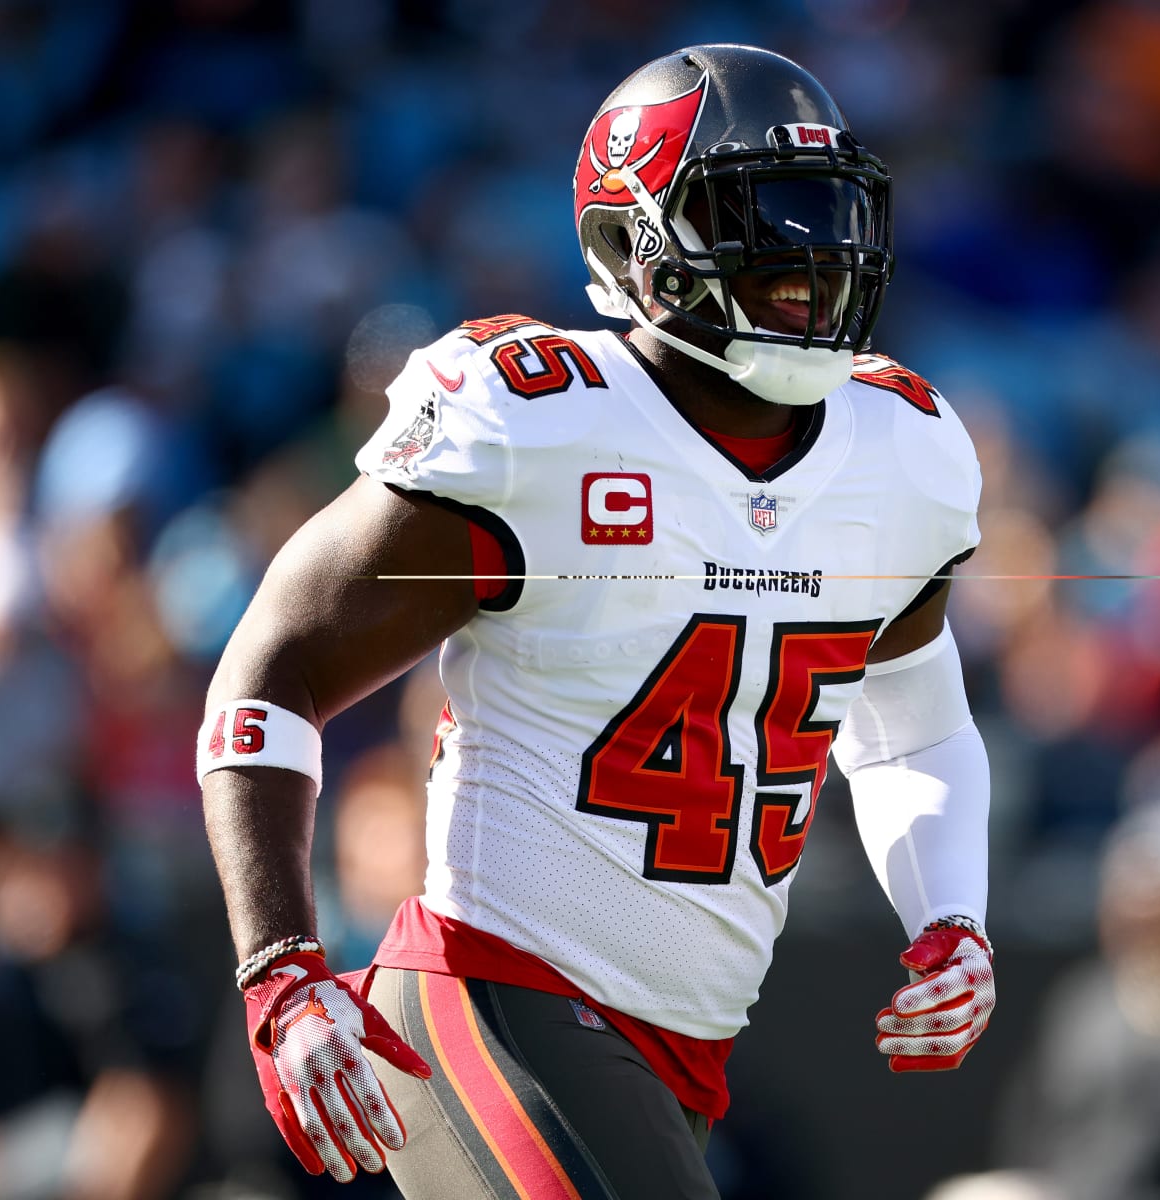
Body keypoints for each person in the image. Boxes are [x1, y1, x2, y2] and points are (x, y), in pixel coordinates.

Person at [199, 44, 997, 1200]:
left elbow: (914, 730)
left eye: (828, 212)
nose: (813, 254)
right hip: (491, 990)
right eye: (761, 216)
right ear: (635, 244)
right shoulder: (538, 424)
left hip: (683, 1046)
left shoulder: (904, 449)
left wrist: (953, 915)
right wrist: (280, 969)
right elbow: (271, 668)